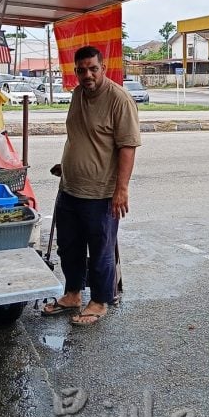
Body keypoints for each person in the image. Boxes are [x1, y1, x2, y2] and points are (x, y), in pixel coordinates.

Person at [41, 46, 140, 326]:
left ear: (103, 68)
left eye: (93, 68)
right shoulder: (77, 94)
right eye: (82, 70)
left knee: (100, 250)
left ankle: (99, 301)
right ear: (76, 71)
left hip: (101, 194)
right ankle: (72, 294)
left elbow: (128, 147)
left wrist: (121, 190)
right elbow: (81, 136)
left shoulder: (119, 99)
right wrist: (68, 165)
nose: (88, 75)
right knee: (68, 247)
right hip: (69, 188)